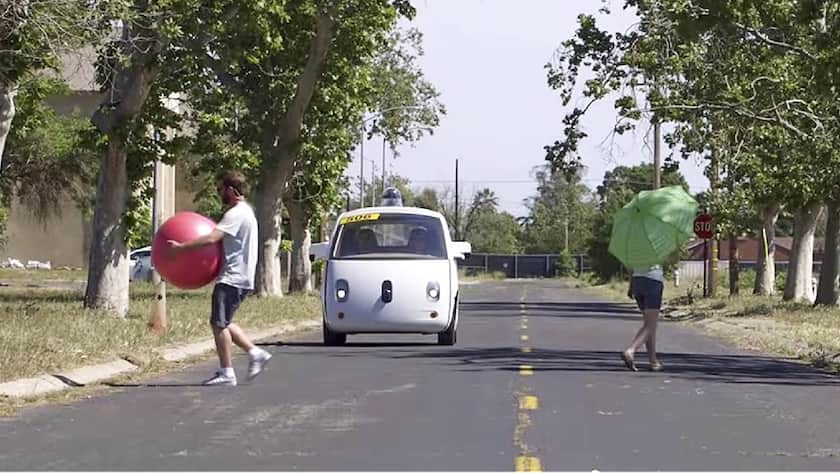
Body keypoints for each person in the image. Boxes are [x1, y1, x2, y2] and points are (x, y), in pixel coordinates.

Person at [166, 170, 272, 386]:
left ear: (231, 190)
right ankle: (255, 353)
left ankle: (227, 372)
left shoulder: (236, 214)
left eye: (220, 189)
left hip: (233, 277)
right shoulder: (246, 212)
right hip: (240, 278)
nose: (218, 193)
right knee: (223, 322)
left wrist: (181, 248)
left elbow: (212, 238)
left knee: (218, 324)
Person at [621, 264, 664, 372]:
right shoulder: (657, 247)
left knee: (648, 323)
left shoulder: (633, 247)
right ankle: (631, 350)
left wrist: (631, 285)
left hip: (637, 281)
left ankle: (653, 361)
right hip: (653, 281)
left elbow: (630, 267)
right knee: (651, 324)